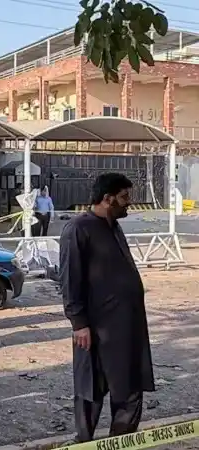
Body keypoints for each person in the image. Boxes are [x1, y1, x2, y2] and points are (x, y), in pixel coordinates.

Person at [59, 173, 154, 443]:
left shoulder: (114, 226)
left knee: (130, 386)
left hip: (127, 327)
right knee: (92, 389)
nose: (129, 203)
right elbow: (70, 278)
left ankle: (120, 442)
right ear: (107, 198)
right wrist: (79, 324)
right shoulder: (78, 229)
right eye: (124, 197)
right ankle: (84, 443)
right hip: (96, 330)